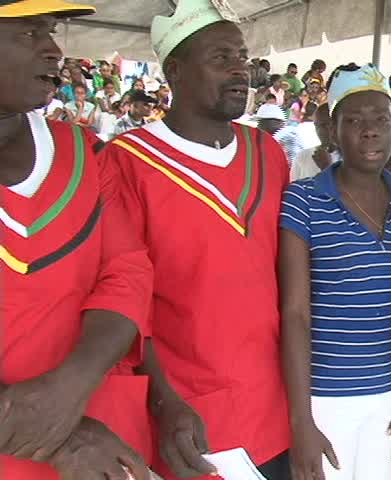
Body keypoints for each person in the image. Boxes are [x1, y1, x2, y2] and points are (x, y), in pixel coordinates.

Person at [101, 1, 293, 477]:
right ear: (176, 71)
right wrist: (164, 404)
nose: (239, 70)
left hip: (277, 405)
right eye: (221, 57)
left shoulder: (266, 151)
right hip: (190, 416)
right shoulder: (127, 161)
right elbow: (122, 296)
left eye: (243, 57)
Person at [0, 2, 155, 479]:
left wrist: (71, 385)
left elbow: (127, 271)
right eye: (29, 34)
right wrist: (60, 432)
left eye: (49, 31)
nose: (54, 50)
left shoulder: (85, 152)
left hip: (102, 442)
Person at [280, 63, 391, 480]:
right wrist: (301, 420)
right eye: (354, 120)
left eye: (381, 119)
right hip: (326, 400)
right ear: (333, 131)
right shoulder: (303, 200)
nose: (370, 130)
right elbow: (295, 313)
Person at [292, 102, 340, 180]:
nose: (320, 131)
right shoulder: (302, 157)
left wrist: (326, 167)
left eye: (326, 125)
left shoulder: (353, 159)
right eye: (316, 125)